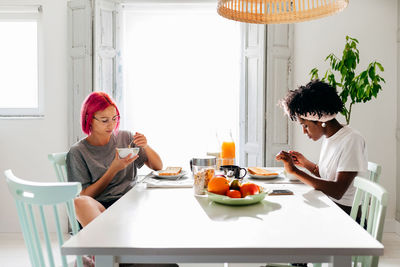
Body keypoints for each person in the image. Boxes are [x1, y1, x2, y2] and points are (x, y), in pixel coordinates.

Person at [67, 91, 163, 227]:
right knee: (79, 202)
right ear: (89, 119)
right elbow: (84, 195)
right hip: (101, 209)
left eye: (115, 118)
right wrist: (114, 169)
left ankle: (108, 241)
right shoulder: (78, 152)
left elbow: (158, 167)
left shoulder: (126, 138)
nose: (111, 125)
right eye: (104, 120)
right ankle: (109, 239)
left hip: (132, 201)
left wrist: (145, 146)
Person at [276, 80, 368, 215]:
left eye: (305, 125)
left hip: (346, 217)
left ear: (320, 121)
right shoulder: (330, 137)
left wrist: (295, 171)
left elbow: (337, 191)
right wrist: (305, 163)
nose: (304, 131)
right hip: (329, 206)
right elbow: (327, 177)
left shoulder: (351, 139)